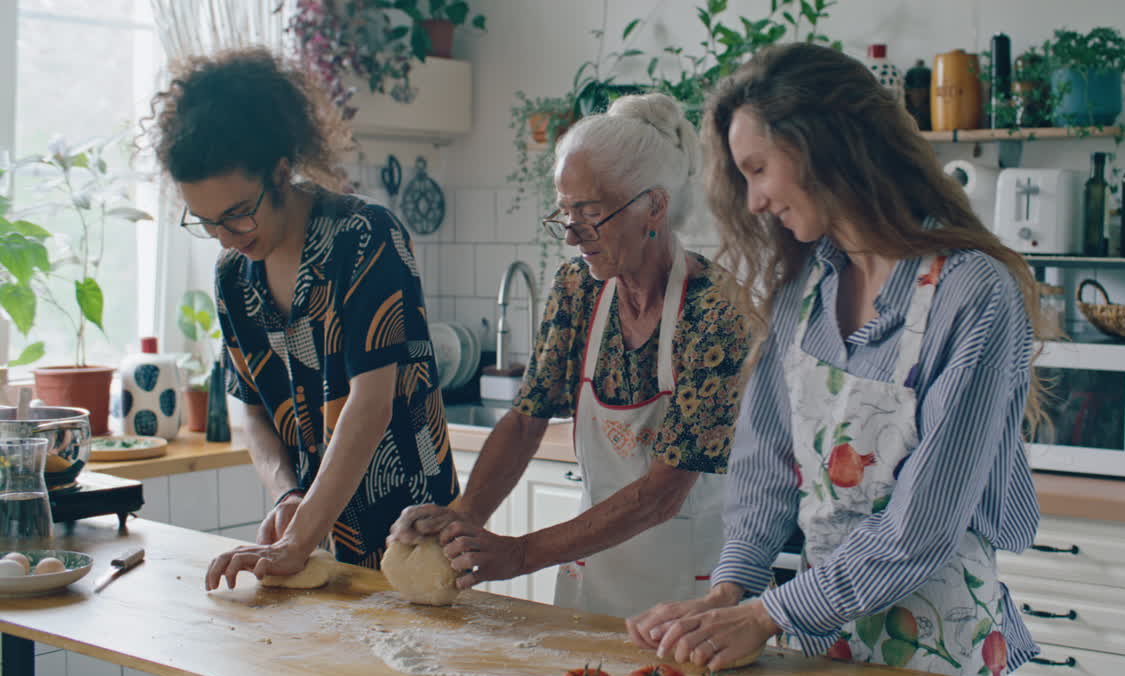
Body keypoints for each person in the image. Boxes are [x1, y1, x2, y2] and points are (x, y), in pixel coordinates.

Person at [627, 44, 1044, 676]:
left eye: (759, 169)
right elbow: (764, 466)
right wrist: (731, 590)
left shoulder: (975, 293)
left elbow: (924, 524)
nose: (756, 200)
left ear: (823, 146)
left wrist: (768, 614)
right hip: (821, 642)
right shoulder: (804, 290)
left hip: (937, 653)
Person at [387, 93, 752, 619]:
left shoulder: (718, 313)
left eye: (591, 212)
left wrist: (520, 554)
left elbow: (662, 495)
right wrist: (462, 518)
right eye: (564, 212)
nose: (573, 234)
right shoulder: (579, 289)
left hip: (693, 590)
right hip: (590, 570)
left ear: (655, 205)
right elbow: (526, 418)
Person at [145, 48, 458, 588]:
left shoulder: (364, 238)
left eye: (238, 214)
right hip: (314, 539)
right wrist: (288, 497)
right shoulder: (232, 276)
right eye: (207, 222)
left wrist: (297, 538)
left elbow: (371, 404)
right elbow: (250, 408)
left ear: (281, 172)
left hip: (412, 537)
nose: (227, 237)